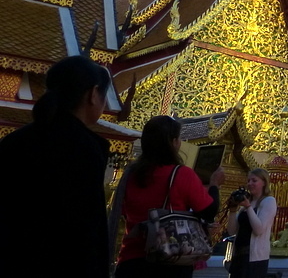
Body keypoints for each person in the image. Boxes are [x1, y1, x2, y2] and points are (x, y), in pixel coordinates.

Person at [0, 56, 112, 278]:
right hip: (62, 265)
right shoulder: (85, 148)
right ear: (93, 94)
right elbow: (85, 228)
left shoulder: (15, 141)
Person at [114, 115, 217, 277]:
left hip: (131, 259)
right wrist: (214, 186)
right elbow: (208, 212)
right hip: (169, 259)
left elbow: (122, 212)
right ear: (173, 142)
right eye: (179, 139)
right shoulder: (182, 174)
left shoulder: (131, 175)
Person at [225, 168, 277, 278]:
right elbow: (232, 231)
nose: (250, 184)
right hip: (239, 255)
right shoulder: (248, 203)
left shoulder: (269, 201)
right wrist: (233, 210)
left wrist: (248, 207)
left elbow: (259, 230)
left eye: (254, 181)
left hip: (255, 258)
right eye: (248, 181)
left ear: (264, 182)